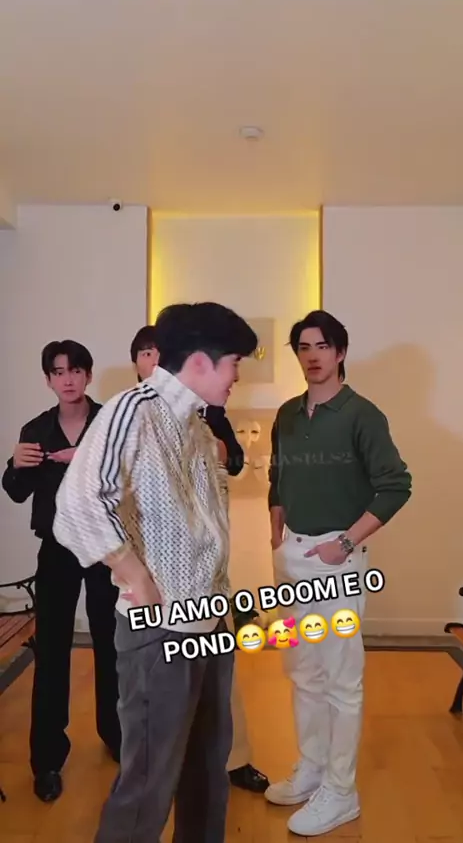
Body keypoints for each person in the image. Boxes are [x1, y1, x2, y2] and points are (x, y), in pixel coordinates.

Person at [53, 303, 258, 843]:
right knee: (148, 781)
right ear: (201, 361)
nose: (237, 375)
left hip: (209, 621)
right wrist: (134, 576)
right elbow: (76, 503)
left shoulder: (196, 425)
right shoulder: (134, 408)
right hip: (160, 629)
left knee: (207, 768)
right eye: (235, 362)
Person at [265, 310, 412, 836]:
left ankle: (341, 790)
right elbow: (278, 473)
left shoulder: (362, 415)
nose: (312, 356)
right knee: (303, 671)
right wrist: (275, 530)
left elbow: (396, 486)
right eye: (303, 347)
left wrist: (345, 543)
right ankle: (312, 768)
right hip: (292, 557)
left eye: (322, 346)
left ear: (341, 352)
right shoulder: (287, 414)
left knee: (341, 679)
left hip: (337, 562)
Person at [130, 324, 270, 794]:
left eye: (158, 352)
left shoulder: (206, 411)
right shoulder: (129, 417)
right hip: (150, 579)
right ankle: (161, 769)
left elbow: (234, 460)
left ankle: (233, 759)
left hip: (205, 574)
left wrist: (212, 442)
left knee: (218, 677)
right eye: (144, 353)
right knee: (155, 687)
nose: (153, 360)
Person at [1, 340, 121, 803]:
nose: (67, 379)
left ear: (88, 375)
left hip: (107, 548)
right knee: (51, 651)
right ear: (48, 380)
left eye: (75, 370)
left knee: (112, 644)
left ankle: (116, 734)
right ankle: (47, 759)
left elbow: (132, 480)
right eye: (58, 372)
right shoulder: (36, 430)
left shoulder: (110, 422)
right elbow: (16, 490)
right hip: (56, 549)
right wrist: (14, 465)